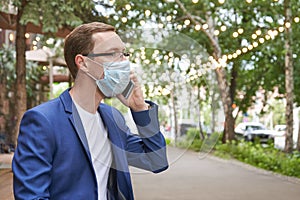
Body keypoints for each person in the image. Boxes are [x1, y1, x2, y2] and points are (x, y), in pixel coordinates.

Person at [12, 22, 169, 200]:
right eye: (113, 54)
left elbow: (156, 161)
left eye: (124, 54)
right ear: (83, 63)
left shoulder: (112, 117)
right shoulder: (43, 120)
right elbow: (31, 197)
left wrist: (140, 107)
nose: (125, 62)